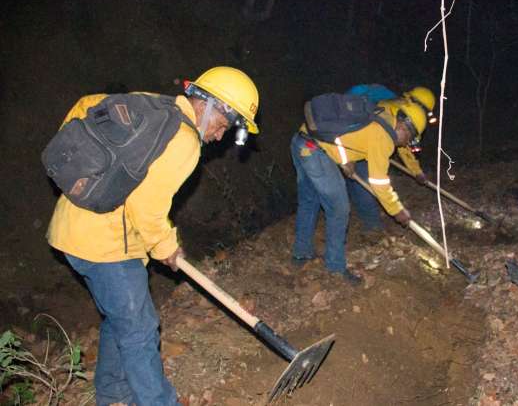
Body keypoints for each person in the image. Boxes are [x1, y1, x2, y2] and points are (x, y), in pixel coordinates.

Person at [45, 66, 260, 406]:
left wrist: (88, 182)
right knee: (140, 329)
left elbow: (83, 107)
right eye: (225, 125)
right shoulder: (184, 140)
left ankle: (114, 393)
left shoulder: (152, 106)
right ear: (210, 106)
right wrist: (166, 248)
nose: (220, 137)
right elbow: (147, 207)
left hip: (72, 229)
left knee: (121, 319)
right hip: (108, 246)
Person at [290, 97, 428, 285]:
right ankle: (336, 269)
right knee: (339, 209)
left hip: (301, 141)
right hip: (315, 151)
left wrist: (347, 159)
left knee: (309, 200)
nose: (405, 145)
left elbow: (348, 135)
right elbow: (379, 182)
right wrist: (397, 210)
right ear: (404, 127)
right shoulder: (385, 138)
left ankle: (301, 253)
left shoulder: (382, 115)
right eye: (409, 139)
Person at [344, 84, 437, 234]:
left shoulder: (399, 108)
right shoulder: (394, 109)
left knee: (359, 183)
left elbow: (403, 143)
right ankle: (372, 229)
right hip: (360, 146)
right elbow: (401, 143)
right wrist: (396, 210)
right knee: (366, 185)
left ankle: (362, 215)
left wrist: (416, 171)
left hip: (362, 144)